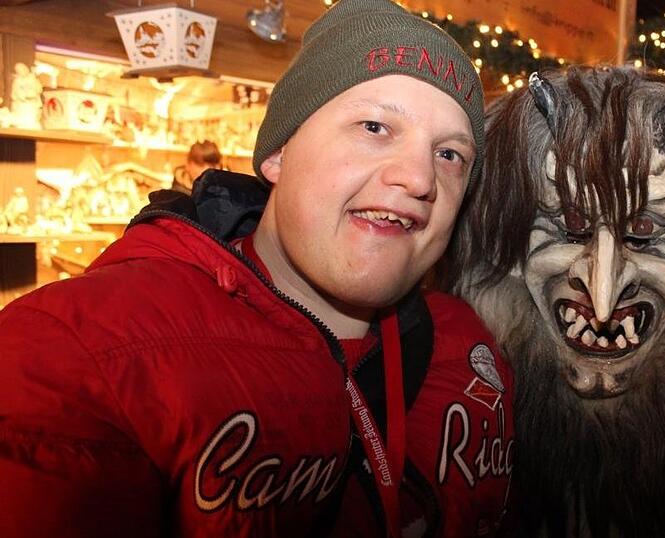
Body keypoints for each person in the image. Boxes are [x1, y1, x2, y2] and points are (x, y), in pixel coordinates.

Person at [0, 0, 514, 536]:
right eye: (374, 126)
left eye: (450, 154)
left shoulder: (474, 347)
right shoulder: (84, 354)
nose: (418, 178)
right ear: (278, 154)